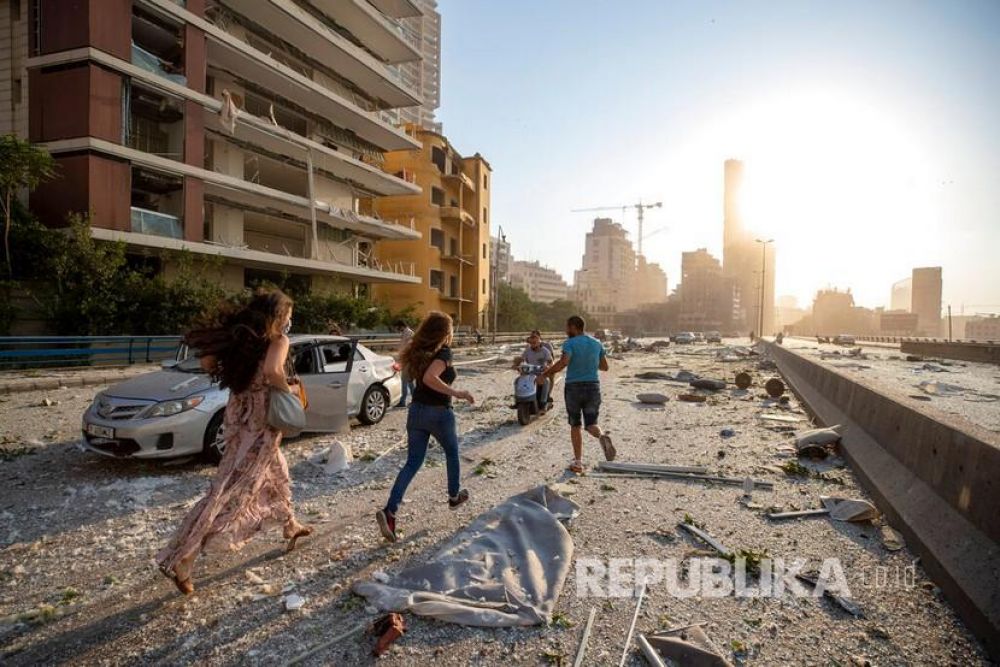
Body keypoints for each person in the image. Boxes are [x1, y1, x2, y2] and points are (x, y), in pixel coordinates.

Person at [156, 289, 312, 595]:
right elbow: (272, 371)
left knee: (276, 474)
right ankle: (184, 557)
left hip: (239, 418)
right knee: (231, 491)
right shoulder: (277, 341)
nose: (290, 322)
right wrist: (289, 390)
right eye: (288, 317)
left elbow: (206, 363)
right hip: (262, 425)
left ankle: (290, 524)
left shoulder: (243, 342)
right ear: (278, 317)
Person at [377, 312, 475, 542]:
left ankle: (389, 512)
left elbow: (421, 377)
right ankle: (453, 496)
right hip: (438, 413)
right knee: (452, 453)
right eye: (451, 329)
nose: (452, 333)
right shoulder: (443, 353)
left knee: (413, 462)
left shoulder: (421, 353)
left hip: (417, 411)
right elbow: (431, 378)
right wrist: (458, 393)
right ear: (444, 332)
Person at [537, 315, 615, 474]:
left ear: (573, 327)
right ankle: (601, 436)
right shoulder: (596, 343)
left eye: (567, 327)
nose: (566, 330)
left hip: (574, 387)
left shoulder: (570, 343)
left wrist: (544, 375)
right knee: (592, 423)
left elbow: (563, 362)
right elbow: (605, 367)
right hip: (593, 386)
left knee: (575, 425)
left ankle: (578, 462)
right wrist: (589, 362)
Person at [512, 331, 554, 410]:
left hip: (540, 373)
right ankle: (517, 401)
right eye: (531, 343)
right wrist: (516, 365)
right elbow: (521, 359)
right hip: (529, 373)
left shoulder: (545, 351)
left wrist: (548, 366)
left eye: (535, 342)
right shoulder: (528, 350)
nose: (533, 344)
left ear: (539, 342)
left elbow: (550, 362)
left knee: (546, 381)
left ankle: (543, 402)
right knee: (517, 381)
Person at [395, 319, 415, 408]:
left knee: (405, 381)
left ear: (401, 326)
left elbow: (409, 348)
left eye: (397, 327)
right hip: (406, 360)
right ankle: (414, 400)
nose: (397, 329)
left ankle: (403, 401)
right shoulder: (406, 333)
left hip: (408, 360)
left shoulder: (409, 333)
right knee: (409, 381)